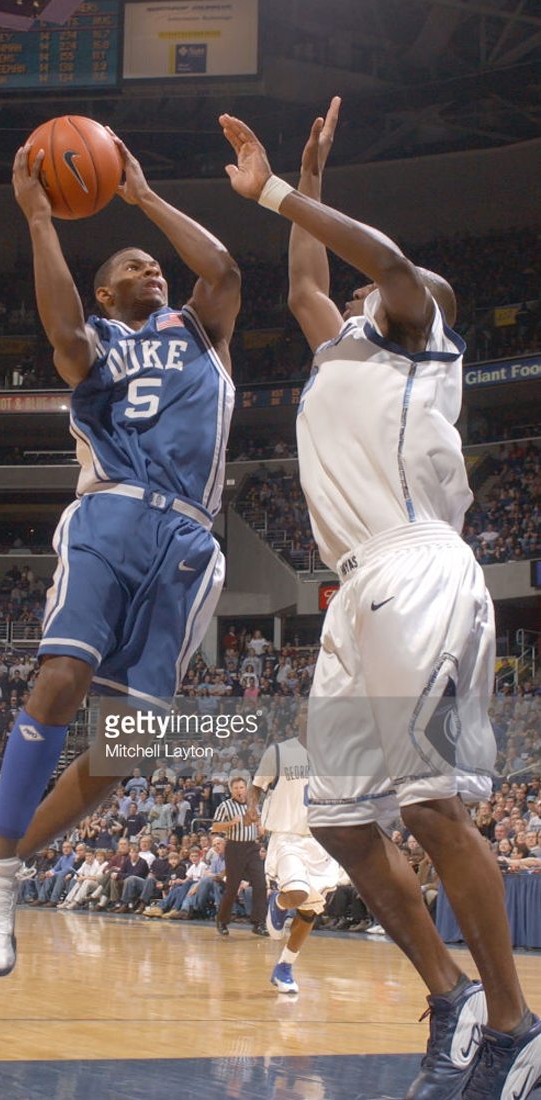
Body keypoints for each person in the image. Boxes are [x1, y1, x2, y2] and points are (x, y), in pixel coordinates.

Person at [220, 100, 541, 1098]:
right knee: (340, 818)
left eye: (378, 288)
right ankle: (447, 996)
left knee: (430, 806)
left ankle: (517, 1025)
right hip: (350, 592)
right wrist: (306, 179)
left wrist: (277, 193)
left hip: (415, 567)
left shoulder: (415, 332)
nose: (357, 291)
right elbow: (307, 279)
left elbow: (388, 265)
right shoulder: (342, 348)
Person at [0, 127, 240, 977]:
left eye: (155, 265)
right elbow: (64, 325)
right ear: (108, 291)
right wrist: (39, 217)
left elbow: (226, 270)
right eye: (136, 266)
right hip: (110, 513)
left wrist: (142, 195)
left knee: (133, 742)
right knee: (62, 679)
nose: (155, 271)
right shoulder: (98, 342)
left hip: (189, 535)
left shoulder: (201, 331)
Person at [247, 732, 340, 994]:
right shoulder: (278, 752)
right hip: (287, 836)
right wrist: (252, 809)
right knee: (296, 893)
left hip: (321, 841)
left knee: (309, 912)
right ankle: (278, 901)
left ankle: (284, 967)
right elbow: (256, 786)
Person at [210, 777, 268, 937]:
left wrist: (261, 827)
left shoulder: (253, 804)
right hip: (234, 847)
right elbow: (215, 826)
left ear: (246, 788)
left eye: (242, 787)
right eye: (235, 788)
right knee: (232, 887)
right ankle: (222, 920)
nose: (239, 790)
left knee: (261, 884)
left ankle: (259, 923)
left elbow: (258, 821)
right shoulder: (225, 806)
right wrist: (230, 823)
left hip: (252, 847)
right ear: (231, 790)